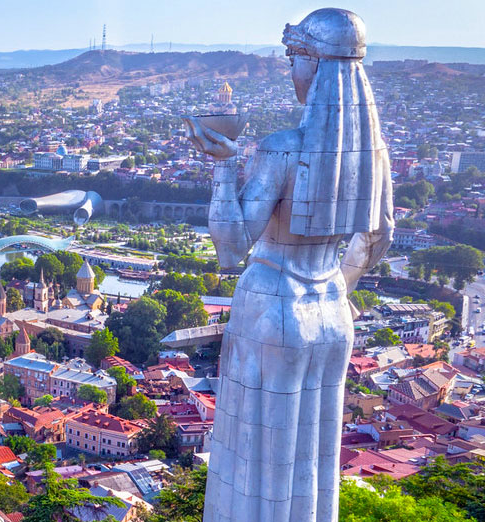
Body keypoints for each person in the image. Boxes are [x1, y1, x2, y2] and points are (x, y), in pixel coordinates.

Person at [184, 8, 393, 522]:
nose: (291, 70)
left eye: (294, 58)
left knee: (255, 461)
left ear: (315, 65)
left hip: (272, 302)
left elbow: (231, 246)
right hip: (331, 312)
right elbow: (377, 238)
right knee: (313, 457)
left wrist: (224, 166)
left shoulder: (282, 150)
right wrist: (334, 286)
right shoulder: (373, 154)